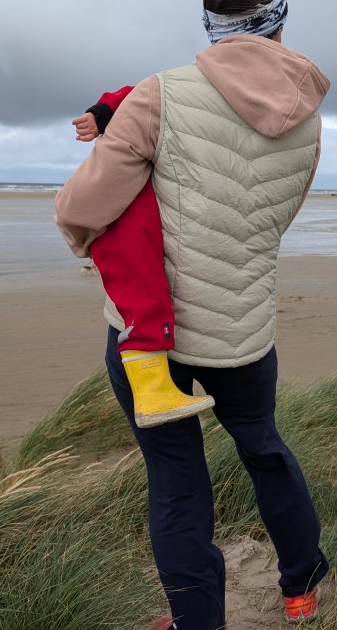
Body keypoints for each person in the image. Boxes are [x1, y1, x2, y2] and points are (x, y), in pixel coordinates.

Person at [55, 0, 329, 629]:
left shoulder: (158, 96)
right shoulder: (308, 115)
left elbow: (80, 207)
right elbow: (277, 216)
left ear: (211, 29)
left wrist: (93, 244)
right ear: (278, 23)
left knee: (177, 482)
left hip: (155, 334)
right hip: (245, 326)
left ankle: (197, 622)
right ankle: (300, 586)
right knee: (264, 448)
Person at [71, 85, 215, 428]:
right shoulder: (168, 95)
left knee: (139, 281)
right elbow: (145, 94)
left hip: (134, 201)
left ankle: (153, 389)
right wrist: (103, 112)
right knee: (140, 284)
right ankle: (153, 390)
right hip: (129, 208)